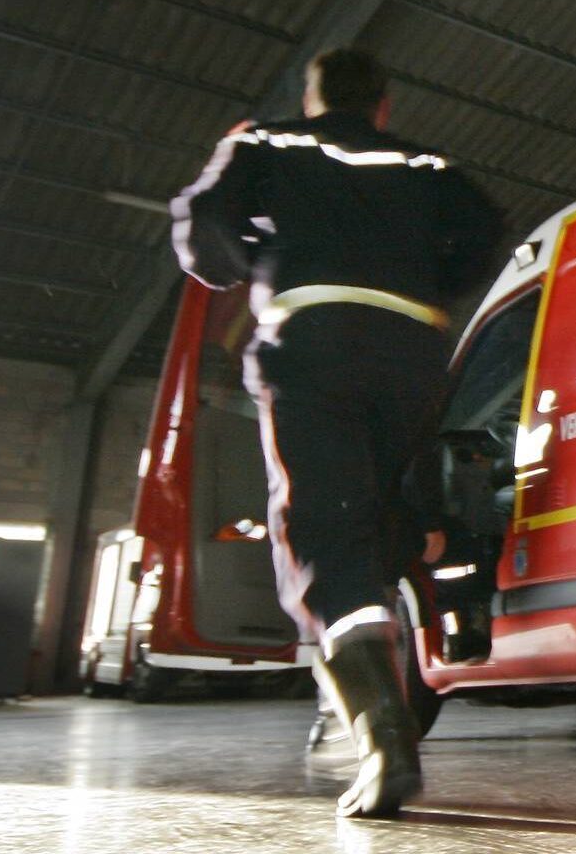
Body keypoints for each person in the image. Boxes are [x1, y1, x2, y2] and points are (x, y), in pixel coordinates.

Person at [171, 48, 502, 818]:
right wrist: (422, 284)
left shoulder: (267, 141)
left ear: (313, 96)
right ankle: (386, 642)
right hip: (413, 349)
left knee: (322, 525)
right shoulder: (423, 162)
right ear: (384, 105)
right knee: (384, 514)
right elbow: (485, 232)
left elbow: (203, 224)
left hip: (314, 337)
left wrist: (258, 264)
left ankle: (383, 733)